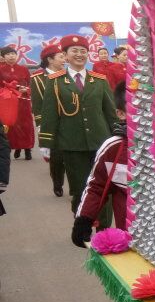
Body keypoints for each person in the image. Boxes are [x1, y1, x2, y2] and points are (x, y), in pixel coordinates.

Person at [39, 34, 119, 225]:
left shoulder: (99, 80)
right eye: (74, 51)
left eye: (83, 51)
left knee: (104, 187)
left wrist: (117, 136)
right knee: (79, 188)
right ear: (65, 55)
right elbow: (50, 113)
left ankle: (104, 229)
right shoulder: (56, 81)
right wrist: (46, 143)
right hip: (71, 144)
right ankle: (82, 225)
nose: (79, 54)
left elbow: (110, 112)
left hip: (101, 143)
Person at [71, 81, 129, 243]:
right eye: (137, 108)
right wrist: (84, 220)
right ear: (121, 113)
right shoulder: (113, 148)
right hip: (130, 236)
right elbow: (96, 186)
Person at [31, 44, 67, 197]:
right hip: (52, 124)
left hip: (70, 122)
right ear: (50, 60)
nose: (64, 60)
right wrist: (41, 126)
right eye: (61, 57)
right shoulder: (38, 79)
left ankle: (75, 187)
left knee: (73, 157)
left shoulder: (68, 75)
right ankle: (57, 184)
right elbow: (37, 104)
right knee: (57, 158)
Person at [0, 45, 34, 160]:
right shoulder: (1, 70)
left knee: (26, 125)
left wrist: (26, 90)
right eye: (8, 54)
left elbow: (30, 84)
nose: (11, 56)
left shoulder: (24, 69)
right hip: (8, 102)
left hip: (23, 102)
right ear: (3, 57)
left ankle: (27, 149)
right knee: (11, 126)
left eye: (13, 54)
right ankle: (15, 147)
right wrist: (8, 89)